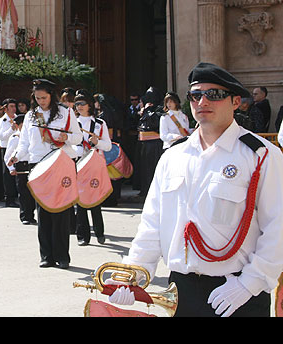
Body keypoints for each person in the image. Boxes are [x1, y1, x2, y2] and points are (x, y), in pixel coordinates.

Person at [109, 62, 283, 317]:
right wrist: (134, 273)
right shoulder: (173, 156)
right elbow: (153, 224)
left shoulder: (261, 155)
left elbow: (278, 227)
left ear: (235, 101)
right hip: (181, 289)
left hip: (237, 290)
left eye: (214, 94)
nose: (202, 101)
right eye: (195, 95)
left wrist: (250, 283)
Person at [8, 79, 82, 269]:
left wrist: (67, 137)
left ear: (52, 95)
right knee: (43, 211)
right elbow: (25, 143)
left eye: (44, 97)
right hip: (38, 164)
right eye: (38, 98)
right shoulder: (31, 116)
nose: (41, 101)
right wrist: (16, 156)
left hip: (61, 162)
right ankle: (46, 256)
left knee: (62, 210)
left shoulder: (65, 113)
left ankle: (62, 256)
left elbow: (78, 137)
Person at [73, 91, 112, 246]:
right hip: (78, 164)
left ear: (90, 104)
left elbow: (108, 146)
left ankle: (99, 232)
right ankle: (82, 235)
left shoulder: (100, 124)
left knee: (95, 199)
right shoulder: (73, 124)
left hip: (95, 164)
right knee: (80, 200)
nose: (80, 107)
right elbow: (68, 145)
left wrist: (97, 142)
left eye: (82, 103)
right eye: (77, 104)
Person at [132, 87, 164, 202]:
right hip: (143, 143)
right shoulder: (144, 110)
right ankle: (144, 189)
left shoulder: (160, 109)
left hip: (154, 144)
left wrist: (149, 111)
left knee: (152, 168)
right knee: (143, 168)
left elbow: (155, 123)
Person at [4, 114, 36, 224]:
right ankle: (25, 216)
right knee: (23, 193)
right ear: (17, 126)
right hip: (21, 165)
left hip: (31, 164)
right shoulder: (15, 138)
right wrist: (11, 168)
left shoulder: (32, 136)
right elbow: (7, 156)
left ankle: (31, 215)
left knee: (33, 193)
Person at [0, 98, 19, 208]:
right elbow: (1, 136)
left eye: (14, 106)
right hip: (6, 148)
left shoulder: (18, 118)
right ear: (5, 108)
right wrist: (11, 129)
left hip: (18, 148)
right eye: (11, 107)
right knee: (8, 174)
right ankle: (9, 198)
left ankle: (18, 196)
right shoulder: (2, 121)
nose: (14, 109)